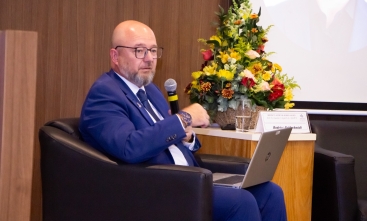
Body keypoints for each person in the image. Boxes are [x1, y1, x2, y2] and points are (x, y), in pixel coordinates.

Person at [79, 20, 287, 221]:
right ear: (115, 56)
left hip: (190, 179)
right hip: (154, 189)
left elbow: (167, 137)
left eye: (153, 51)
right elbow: (129, 147)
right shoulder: (105, 94)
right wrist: (184, 117)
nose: (149, 58)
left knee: (270, 193)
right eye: (139, 50)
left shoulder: (150, 90)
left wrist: (187, 138)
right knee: (241, 201)